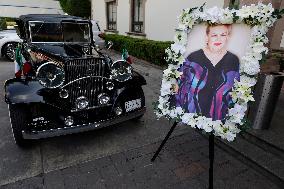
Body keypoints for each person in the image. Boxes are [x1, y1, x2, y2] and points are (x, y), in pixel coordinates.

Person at [175, 24, 240, 121]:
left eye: (223, 35)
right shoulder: (193, 57)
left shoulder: (233, 60)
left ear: (227, 37)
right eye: (214, 35)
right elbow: (179, 85)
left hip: (218, 117)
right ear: (207, 37)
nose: (218, 39)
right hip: (192, 113)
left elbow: (235, 91)